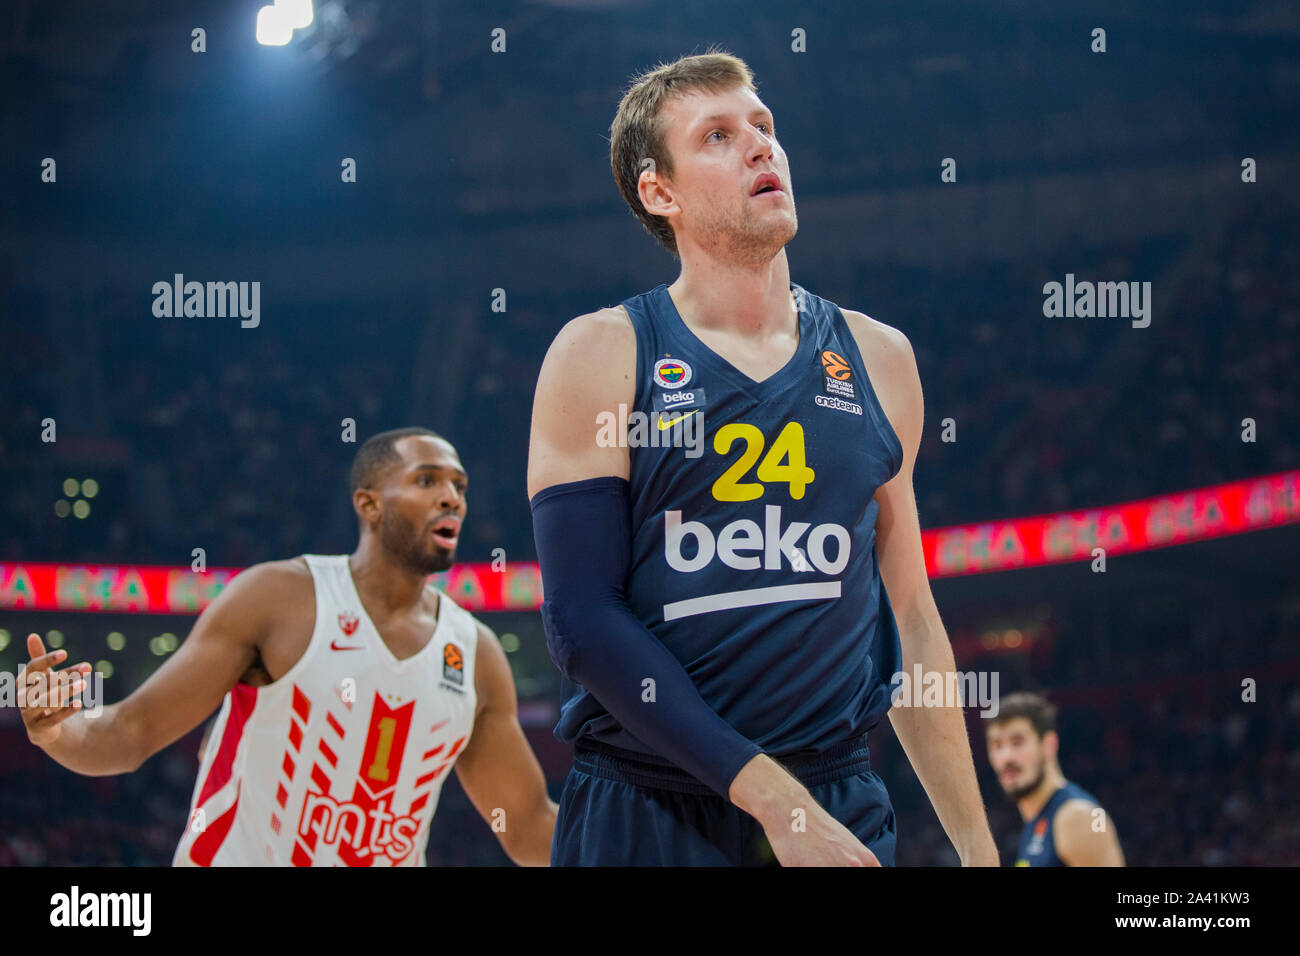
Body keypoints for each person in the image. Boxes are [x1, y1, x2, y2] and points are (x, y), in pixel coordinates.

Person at [528, 51, 997, 866]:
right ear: (658, 192)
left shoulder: (880, 356)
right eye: (717, 135)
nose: (760, 147)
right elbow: (582, 621)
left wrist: (979, 853)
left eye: (764, 127)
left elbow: (913, 620)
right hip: (646, 809)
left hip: (837, 794)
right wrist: (772, 800)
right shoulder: (602, 351)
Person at [20, 427, 556, 866]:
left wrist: (636, 823)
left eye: (460, 486)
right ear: (368, 504)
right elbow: (129, 732)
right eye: (427, 480)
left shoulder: (476, 654)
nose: (452, 498)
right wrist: (60, 729)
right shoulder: (279, 599)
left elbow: (531, 829)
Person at [985, 692, 1124, 866]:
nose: (1006, 757)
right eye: (997, 745)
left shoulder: (1077, 816)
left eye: (1017, 742)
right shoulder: (1035, 819)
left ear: (1049, 745)